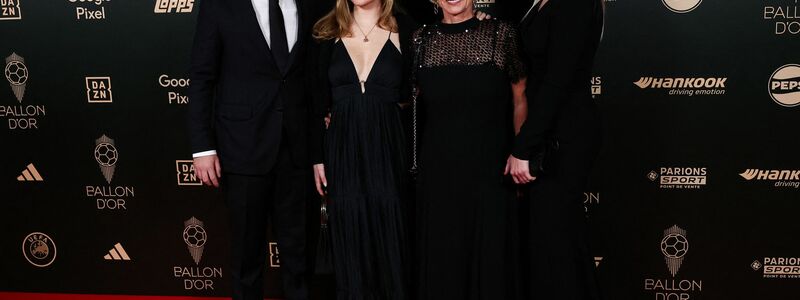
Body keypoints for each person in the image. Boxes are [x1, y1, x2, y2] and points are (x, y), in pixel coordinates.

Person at [187, 0, 326, 299]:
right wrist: (202, 147)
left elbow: (313, 83)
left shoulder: (310, 5)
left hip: (297, 152)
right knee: (246, 260)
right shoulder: (220, 7)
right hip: (242, 148)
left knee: (299, 258)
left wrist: (318, 154)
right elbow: (201, 76)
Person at [411, 0, 527, 299]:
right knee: (443, 262)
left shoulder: (500, 34)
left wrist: (521, 152)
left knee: (490, 263)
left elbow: (520, 99)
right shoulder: (420, 39)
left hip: (490, 172)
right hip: (437, 174)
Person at [308, 0, 418, 298]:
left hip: (390, 147)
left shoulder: (408, 30)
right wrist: (318, 156)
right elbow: (316, 102)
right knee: (350, 236)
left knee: (392, 234)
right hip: (342, 149)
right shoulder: (325, 31)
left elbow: (420, 93)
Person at [505, 0, 605, 299]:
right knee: (560, 240)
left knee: (555, 241)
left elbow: (557, 81)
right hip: (552, 132)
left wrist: (523, 147)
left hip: (564, 136)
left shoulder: (575, 4)